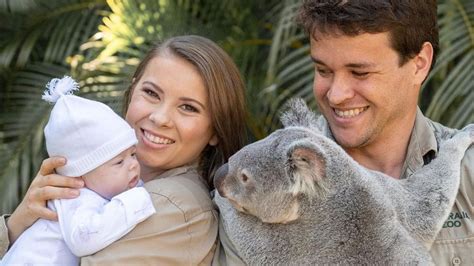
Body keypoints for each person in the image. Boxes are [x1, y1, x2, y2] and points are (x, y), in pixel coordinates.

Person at [214, 0, 473, 265]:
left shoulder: (467, 172)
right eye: (322, 70)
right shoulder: (257, 183)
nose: (336, 95)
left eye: (360, 72)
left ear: (419, 64)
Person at [0, 35, 247, 264]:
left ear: (215, 130)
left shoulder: (170, 205)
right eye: (151, 93)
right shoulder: (102, 183)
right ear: (132, 92)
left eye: (188, 108)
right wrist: (20, 221)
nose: (160, 118)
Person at [1, 76, 156, 265]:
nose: (133, 164)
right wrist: (138, 199)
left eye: (132, 154)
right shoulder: (74, 196)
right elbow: (84, 239)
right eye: (118, 162)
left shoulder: (98, 187)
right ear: (80, 174)